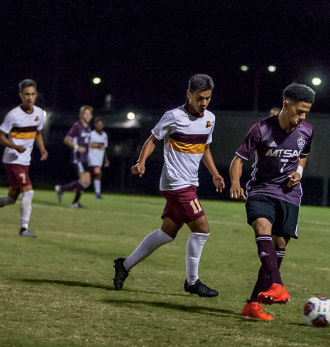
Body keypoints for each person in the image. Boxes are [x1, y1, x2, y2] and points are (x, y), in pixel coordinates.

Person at [113, 74, 225, 297]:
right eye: (200, 98)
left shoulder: (209, 118)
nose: (204, 103)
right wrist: (141, 161)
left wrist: (215, 174)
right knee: (202, 229)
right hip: (175, 183)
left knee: (167, 233)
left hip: (191, 183)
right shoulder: (173, 116)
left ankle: (123, 265)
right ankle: (192, 282)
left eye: (208, 98)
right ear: (189, 95)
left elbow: (205, 148)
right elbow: (153, 139)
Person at [230, 83, 315, 320]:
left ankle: (253, 304)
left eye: (306, 112)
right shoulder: (260, 130)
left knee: (279, 244)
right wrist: (235, 183)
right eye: (299, 111)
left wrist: (299, 172)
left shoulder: (307, 131)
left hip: (289, 194)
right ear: (286, 105)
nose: (302, 117)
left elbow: (303, 157)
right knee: (262, 227)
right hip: (262, 189)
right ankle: (277, 285)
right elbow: (238, 160)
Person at [0, 79, 49, 237]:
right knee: (29, 192)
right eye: (27, 94)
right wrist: (15, 146)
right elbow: (0, 137)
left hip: (25, 161)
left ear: (36, 95)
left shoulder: (39, 113)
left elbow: (38, 133)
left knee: (11, 199)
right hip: (13, 160)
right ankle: (23, 229)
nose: (30, 98)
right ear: (21, 95)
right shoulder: (13, 115)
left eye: (33, 94)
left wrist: (43, 149)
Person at [55, 105, 93, 208]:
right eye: (86, 113)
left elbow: (86, 142)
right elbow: (67, 139)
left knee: (86, 182)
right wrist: (77, 147)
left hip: (85, 157)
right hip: (78, 157)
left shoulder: (88, 128)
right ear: (81, 115)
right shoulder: (77, 126)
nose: (88, 116)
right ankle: (73, 201)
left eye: (90, 114)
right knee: (84, 180)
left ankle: (62, 189)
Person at [87, 117, 109, 199]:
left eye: (101, 124)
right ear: (95, 125)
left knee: (90, 177)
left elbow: (104, 148)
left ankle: (77, 187)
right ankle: (97, 193)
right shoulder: (91, 134)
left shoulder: (104, 135)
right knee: (98, 174)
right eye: (98, 124)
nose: (99, 126)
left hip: (99, 160)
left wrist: (106, 159)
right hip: (92, 158)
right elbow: (88, 145)